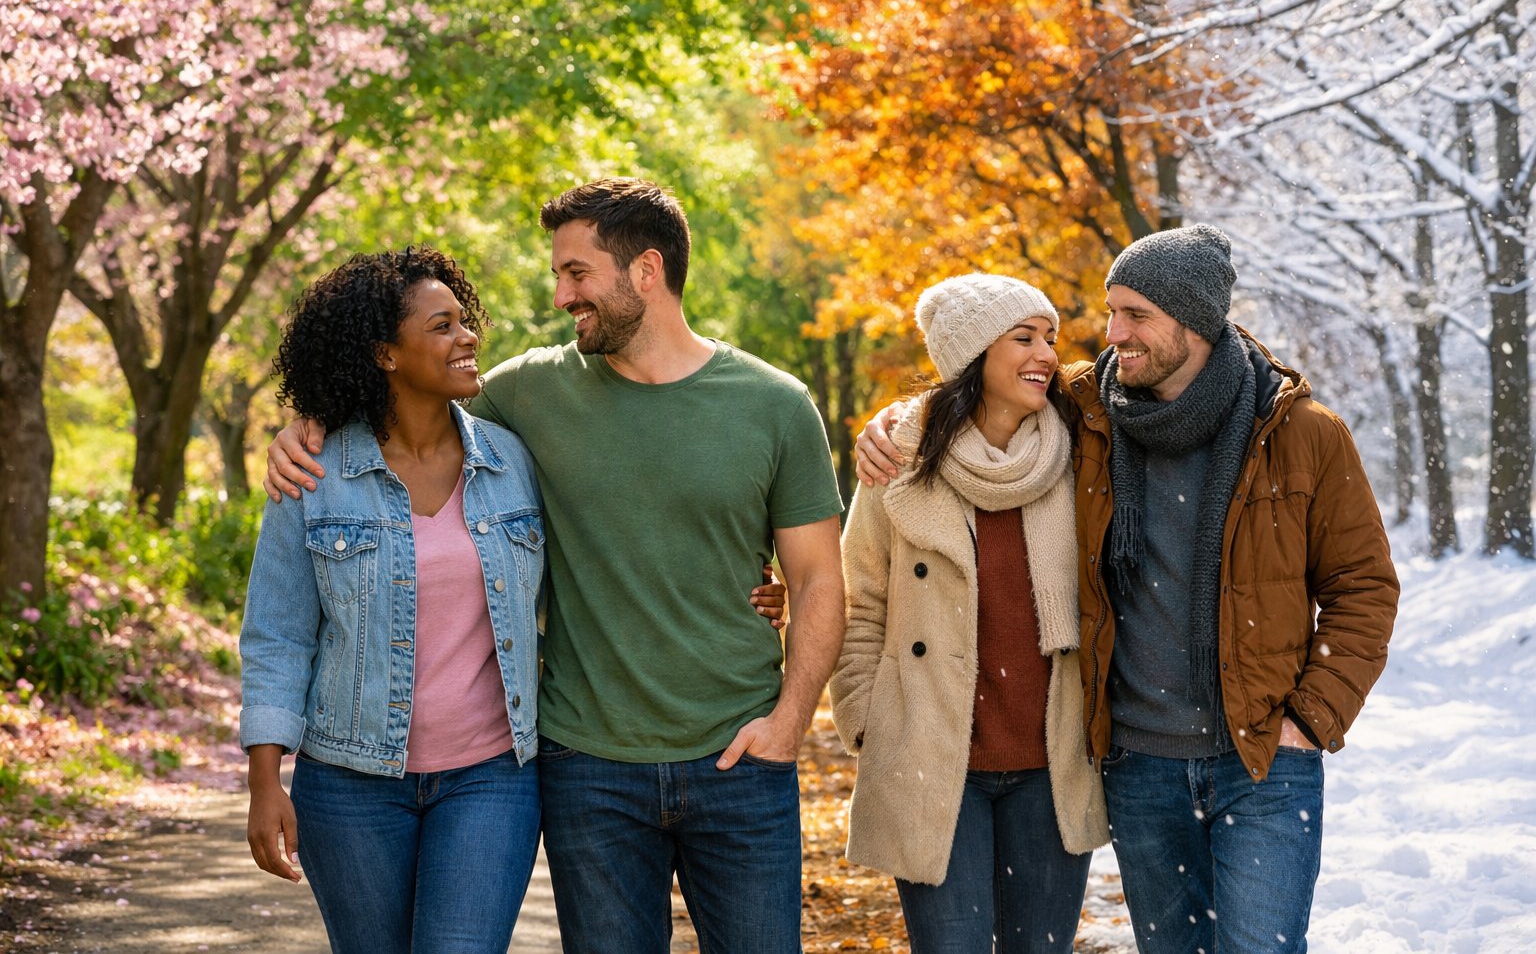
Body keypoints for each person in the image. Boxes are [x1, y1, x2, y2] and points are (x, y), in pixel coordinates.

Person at [263, 178, 846, 953]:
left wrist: (791, 722)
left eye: (577, 274)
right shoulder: (526, 396)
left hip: (738, 757)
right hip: (587, 766)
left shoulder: (774, 404)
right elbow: (407, 409)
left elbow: (817, 581)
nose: (563, 296)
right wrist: (310, 422)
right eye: (558, 276)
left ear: (645, 271)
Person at [854, 225, 1399, 954]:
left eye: (1136, 316)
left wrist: (1311, 717)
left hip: (1263, 756)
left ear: (1195, 319)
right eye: (1111, 313)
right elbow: (971, 398)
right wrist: (889, 425)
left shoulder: (1300, 432)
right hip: (1140, 764)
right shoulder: (1091, 411)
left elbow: (1363, 586)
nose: (1113, 335)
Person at [239, 246, 545, 954]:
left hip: (490, 777)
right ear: (384, 353)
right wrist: (264, 782)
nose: (468, 337)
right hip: (349, 786)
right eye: (442, 327)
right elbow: (278, 635)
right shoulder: (316, 476)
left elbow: (598, 572)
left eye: (464, 321)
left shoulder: (514, 462)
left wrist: (752, 593)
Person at [832, 274, 1109, 953]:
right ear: (972, 355)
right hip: (931, 762)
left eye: (1050, 337)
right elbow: (857, 599)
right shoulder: (901, 455)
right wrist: (870, 719)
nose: (1045, 353)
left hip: (1051, 766)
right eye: (1023, 338)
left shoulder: (1082, 446)